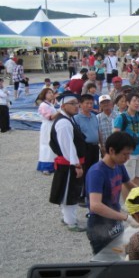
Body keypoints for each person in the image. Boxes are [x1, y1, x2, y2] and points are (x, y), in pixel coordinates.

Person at [86, 131, 138, 254]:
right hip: (100, 226)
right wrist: (127, 218)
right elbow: (95, 205)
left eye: (129, 154)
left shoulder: (118, 165)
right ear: (111, 151)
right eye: (125, 154)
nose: (128, 158)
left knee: (119, 254)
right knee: (105, 261)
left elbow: (129, 184)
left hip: (115, 220)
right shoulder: (97, 172)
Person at [49, 92, 86, 232]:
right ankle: (71, 221)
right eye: (73, 104)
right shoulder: (64, 123)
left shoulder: (67, 119)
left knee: (69, 190)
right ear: (64, 106)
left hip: (69, 162)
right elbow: (68, 147)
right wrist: (76, 164)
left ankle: (67, 217)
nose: (77, 106)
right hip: (69, 164)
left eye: (77, 103)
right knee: (70, 192)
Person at [36, 88, 57, 175]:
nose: (51, 94)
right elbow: (50, 117)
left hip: (52, 126)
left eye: (52, 92)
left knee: (52, 144)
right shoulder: (43, 105)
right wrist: (61, 111)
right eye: (48, 93)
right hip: (47, 126)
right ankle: (45, 166)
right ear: (44, 95)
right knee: (47, 145)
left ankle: (53, 164)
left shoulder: (50, 104)